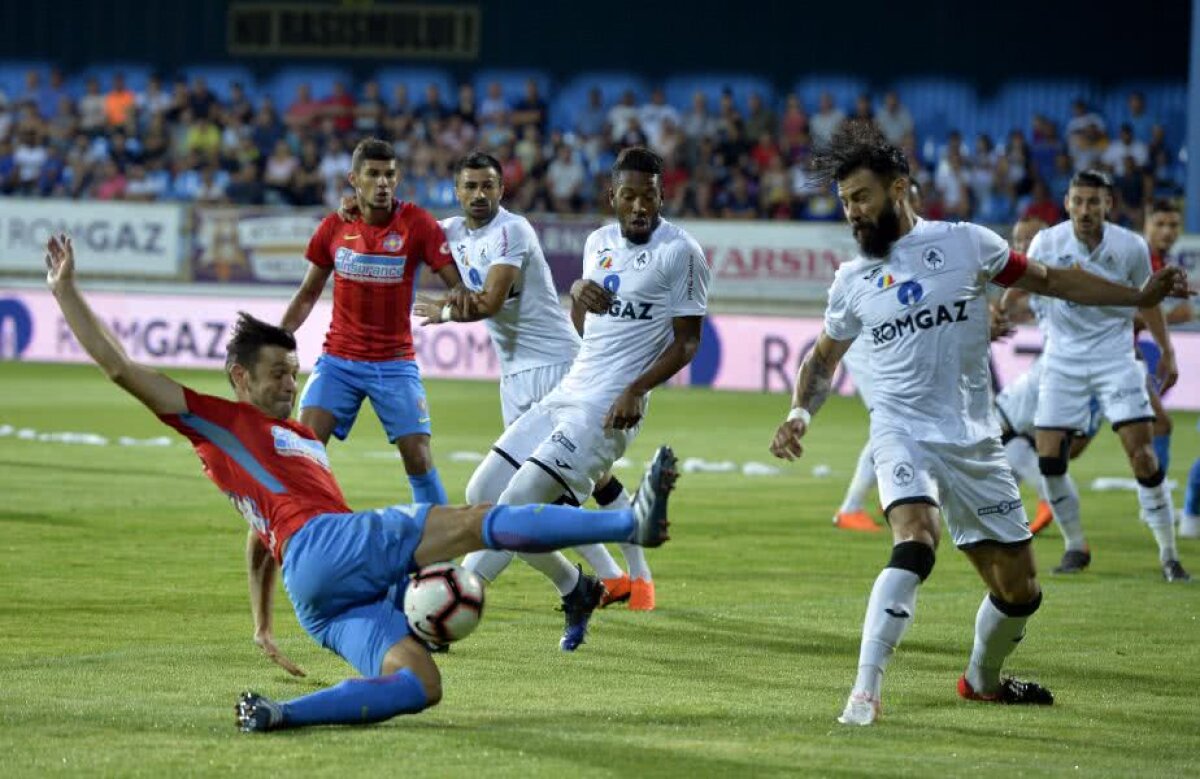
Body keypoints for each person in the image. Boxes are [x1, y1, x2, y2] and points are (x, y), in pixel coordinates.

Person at [42, 232, 678, 733]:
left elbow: (262, 537)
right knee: (477, 519)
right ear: (238, 377)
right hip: (328, 546)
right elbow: (122, 368)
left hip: (314, 594)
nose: (290, 385)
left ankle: (281, 713)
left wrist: (263, 622)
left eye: (294, 372)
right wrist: (67, 290)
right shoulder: (220, 420)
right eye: (275, 375)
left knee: (419, 685)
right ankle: (629, 523)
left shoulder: (295, 440)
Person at [768, 124, 1190, 726]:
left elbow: (1050, 281)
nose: (852, 213)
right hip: (901, 430)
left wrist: (1135, 295)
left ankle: (982, 680)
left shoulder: (967, 244)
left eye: (861, 197)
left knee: (1021, 590)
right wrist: (799, 413)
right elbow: (821, 359)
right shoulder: (851, 280)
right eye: (845, 203)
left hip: (973, 436)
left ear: (899, 189)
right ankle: (864, 692)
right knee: (915, 540)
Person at [447, 147, 710, 645]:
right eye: (628, 196)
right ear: (612, 196)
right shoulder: (597, 242)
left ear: (661, 196)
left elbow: (688, 342)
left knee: (519, 502)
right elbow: (586, 330)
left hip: (608, 409)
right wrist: (580, 303)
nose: (638, 207)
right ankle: (577, 586)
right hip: (567, 391)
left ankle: (457, 593)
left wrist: (636, 389)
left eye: (648, 197)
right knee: (481, 494)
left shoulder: (682, 252)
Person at [417, 151, 654, 648]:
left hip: (559, 368)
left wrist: (443, 313)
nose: (479, 194)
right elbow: (403, 227)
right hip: (515, 378)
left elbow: (490, 301)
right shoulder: (448, 233)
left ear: (501, 190)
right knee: (508, 498)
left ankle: (633, 571)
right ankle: (600, 579)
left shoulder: (513, 231)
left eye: (488, 186)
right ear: (456, 192)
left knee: (546, 494)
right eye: (470, 187)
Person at [1007, 171, 1189, 582]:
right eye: (1078, 201)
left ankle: (1168, 554)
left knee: (1141, 454)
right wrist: (1003, 304)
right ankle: (1076, 546)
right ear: (1067, 203)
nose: (1085, 210)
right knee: (1050, 460)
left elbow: (1150, 302)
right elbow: (1023, 280)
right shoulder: (1047, 243)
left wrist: (1168, 351)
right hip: (1061, 361)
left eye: (1094, 202)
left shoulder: (1131, 247)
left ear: (1109, 204)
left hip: (1115, 359)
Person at [281, 138, 465, 507]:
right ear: (354, 179)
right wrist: (278, 339)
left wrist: (453, 300)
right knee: (303, 453)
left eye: (390, 175)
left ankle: (441, 558)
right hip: (338, 361)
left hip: (395, 364)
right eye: (373, 174)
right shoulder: (333, 227)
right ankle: (298, 536)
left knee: (419, 457)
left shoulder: (418, 224)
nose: (383, 182)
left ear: (398, 179)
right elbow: (307, 294)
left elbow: (457, 284)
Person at [834, 180, 924, 533]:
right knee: (893, 416)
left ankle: (877, 500)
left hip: (885, 344)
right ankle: (853, 506)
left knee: (899, 418)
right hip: (867, 345)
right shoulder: (877, 246)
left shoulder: (918, 245)